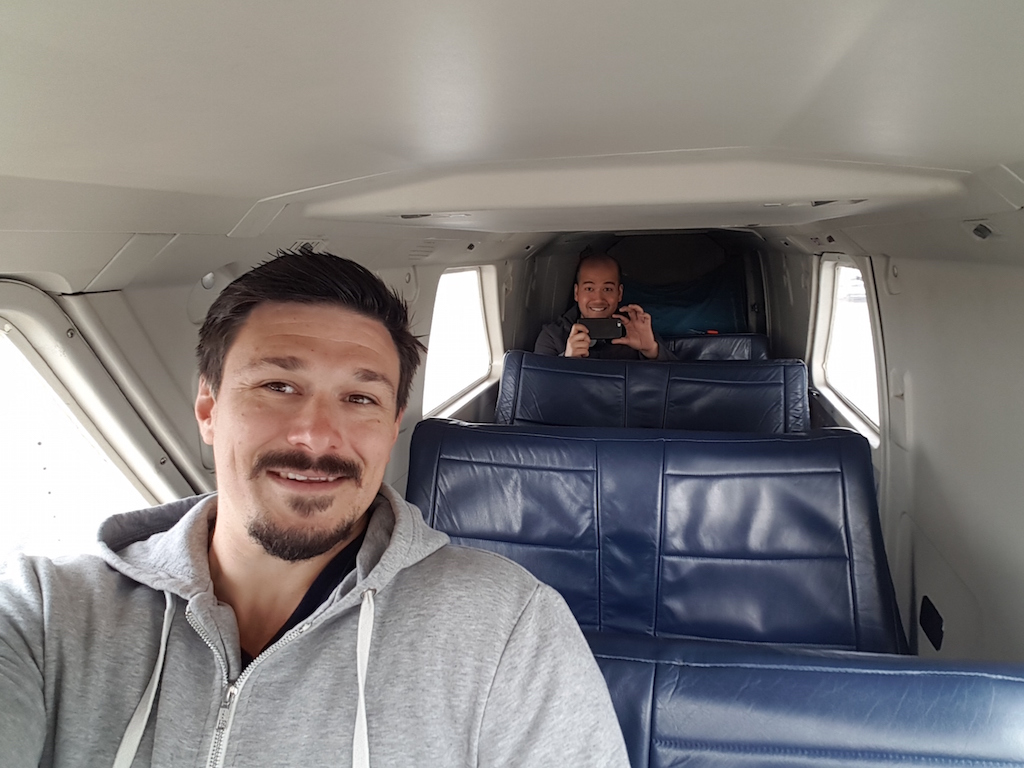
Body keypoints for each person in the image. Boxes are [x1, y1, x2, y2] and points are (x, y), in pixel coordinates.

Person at [0, 250, 630, 767]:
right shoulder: (46, 613)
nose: (316, 436)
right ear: (208, 409)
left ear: (392, 428)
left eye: (360, 398)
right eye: (278, 386)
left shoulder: (509, 629)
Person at [534, 250, 674, 360]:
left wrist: (651, 350)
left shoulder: (636, 329)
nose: (598, 299)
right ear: (577, 293)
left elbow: (677, 384)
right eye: (589, 289)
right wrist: (567, 360)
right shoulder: (553, 336)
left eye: (607, 289)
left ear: (619, 293)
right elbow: (538, 386)